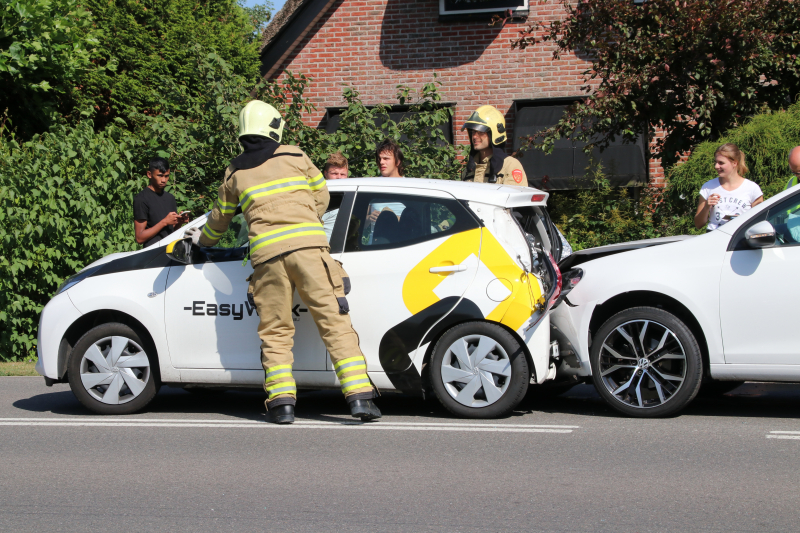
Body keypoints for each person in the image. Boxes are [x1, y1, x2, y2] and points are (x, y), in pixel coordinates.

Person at [184, 100, 380, 424]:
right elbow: (323, 195)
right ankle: (360, 399)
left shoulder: (234, 171)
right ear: (273, 127)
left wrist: (200, 243)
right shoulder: (294, 154)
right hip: (309, 251)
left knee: (275, 332)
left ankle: (281, 405)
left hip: (267, 259)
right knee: (334, 321)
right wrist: (306, 221)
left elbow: (219, 221)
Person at [695, 143, 763, 231]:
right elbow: (698, 224)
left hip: (740, 238)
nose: (716, 166)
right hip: (714, 237)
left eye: (721, 163)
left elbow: (760, 222)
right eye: (716, 162)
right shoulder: (708, 187)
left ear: (734, 163)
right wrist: (706, 207)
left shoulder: (752, 188)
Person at [460, 105, 527, 186]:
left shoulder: (509, 166)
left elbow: (513, 197)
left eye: (481, 132)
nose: (474, 136)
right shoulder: (469, 170)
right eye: (473, 132)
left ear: (494, 134)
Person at [133, 157, 188, 247]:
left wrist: (179, 222)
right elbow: (139, 238)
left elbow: (171, 232)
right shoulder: (142, 199)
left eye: (166, 176)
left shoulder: (170, 198)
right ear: (149, 174)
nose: (163, 180)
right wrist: (164, 222)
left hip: (171, 251)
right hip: (153, 254)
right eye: (160, 175)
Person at [322, 152, 348, 240]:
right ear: (325, 174)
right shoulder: (318, 196)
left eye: (343, 174)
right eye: (334, 173)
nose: (339, 177)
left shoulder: (353, 195)